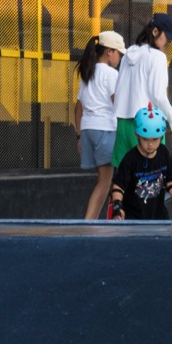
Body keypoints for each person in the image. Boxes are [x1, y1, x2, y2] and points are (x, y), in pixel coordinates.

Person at [111, 11, 172, 158]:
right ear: (155, 31)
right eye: (167, 37)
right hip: (147, 126)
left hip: (122, 124)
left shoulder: (129, 53)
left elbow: (118, 90)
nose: (168, 42)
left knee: (123, 177)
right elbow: (159, 95)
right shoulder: (158, 57)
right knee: (150, 176)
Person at [72, 30, 125, 221]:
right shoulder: (112, 74)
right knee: (105, 182)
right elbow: (118, 105)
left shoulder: (88, 73)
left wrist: (79, 136)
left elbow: (78, 108)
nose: (120, 57)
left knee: (106, 181)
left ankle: (111, 218)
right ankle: (89, 224)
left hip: (87, 130)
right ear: (109, 52)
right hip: (106, 130)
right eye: (119, 52)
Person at [110, 103, 172, 221]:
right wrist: (117, 207)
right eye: (145, 139)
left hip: (159, 218)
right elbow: (118, 186)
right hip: (134, 220)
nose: (150, 144)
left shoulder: (163, 153)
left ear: (161, 136)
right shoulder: (130, 159)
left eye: (155, 139)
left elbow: (171, 180)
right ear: (136, 135)